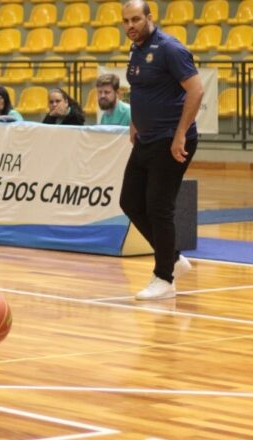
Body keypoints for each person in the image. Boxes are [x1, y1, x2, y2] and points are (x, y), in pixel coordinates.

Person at [119, 0, 203, 300]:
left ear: (149, 18)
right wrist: (134, 122)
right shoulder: (135, 49)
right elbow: (140, 90)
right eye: (126, 20)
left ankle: (164, 278)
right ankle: (173, 258)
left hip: (171, 139)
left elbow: (196, 90)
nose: (130, 26)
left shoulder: (170, 48)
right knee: (129, 200)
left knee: (158, 207)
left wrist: (180, 134)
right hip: (146, 139)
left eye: (136, 20)